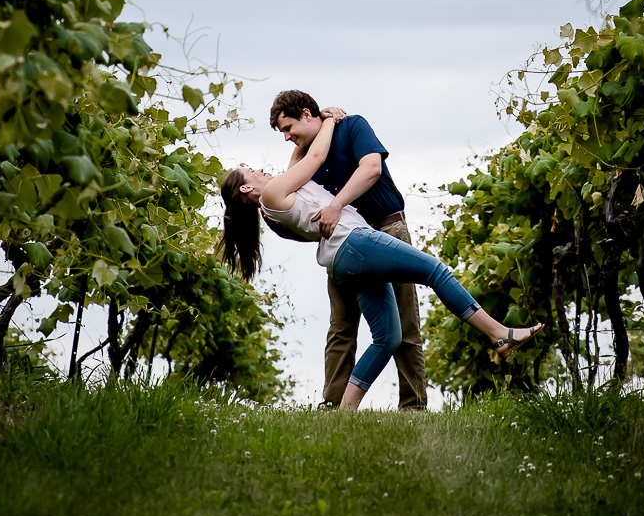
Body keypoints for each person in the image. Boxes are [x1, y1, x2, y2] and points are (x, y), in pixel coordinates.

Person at [220, 107, 540, 411]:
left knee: (388, 338)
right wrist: (329, 119)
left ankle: (345, 411)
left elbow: (298, 162)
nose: (260, 169)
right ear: (247, 186)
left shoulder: (275, 200)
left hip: (339, 259)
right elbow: (314, 157)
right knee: (436, 271)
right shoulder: (273, 194)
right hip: (355, 242)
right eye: (251, 170)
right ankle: (498, 332)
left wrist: (312, 124)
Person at [270, 90, 424, 409]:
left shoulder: (353, 126)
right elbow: (290, 186)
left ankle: (413, 407)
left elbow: (371, 168)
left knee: (405, 325)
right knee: (341, 327)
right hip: (343, 245)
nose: (286, 137)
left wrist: (337, 205)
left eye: (288, 128)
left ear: (306, 114)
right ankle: (333, 405)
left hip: (386, 229)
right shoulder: (309, 155)